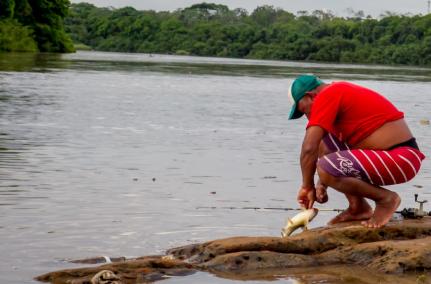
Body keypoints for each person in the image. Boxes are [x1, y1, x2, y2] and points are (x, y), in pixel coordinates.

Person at [288, 74, 425, 228]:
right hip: (390, 158)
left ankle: (385, 199)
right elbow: (324, 149)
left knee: (324, 167)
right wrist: (322, 184)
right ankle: (358, 207)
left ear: (311, 96)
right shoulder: (335, 95)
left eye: (304, 110)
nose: (307, 116)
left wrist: (307, 187)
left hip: (401, 158)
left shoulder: (329, 94)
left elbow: (308, 148)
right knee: (323, 144)